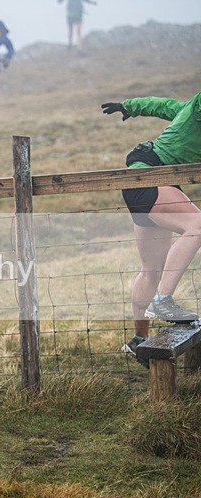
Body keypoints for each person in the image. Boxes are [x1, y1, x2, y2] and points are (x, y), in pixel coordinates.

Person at [101, 92, 201, 368]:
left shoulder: (189, 110)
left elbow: (164, 105)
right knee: (197, 225)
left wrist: (130, 106)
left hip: (145, 181)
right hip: (148, 176)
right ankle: (164, 300)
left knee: (151, 271)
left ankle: (138, 340)